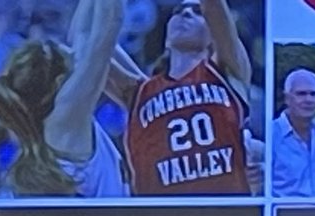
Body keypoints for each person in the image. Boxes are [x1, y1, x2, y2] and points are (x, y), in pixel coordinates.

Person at [107, 0, 255, 195]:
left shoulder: (226, 72)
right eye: (178, 11)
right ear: (166, 35)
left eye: (197, 11)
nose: (185, 14)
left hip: (224, 212)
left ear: (214, 33)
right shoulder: (140, 91)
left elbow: (213, 6)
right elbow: (90, 45)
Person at [0, 0, 128, 197]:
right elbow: (110, 25)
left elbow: (84, 33)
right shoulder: (64, 118)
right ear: (59, 80)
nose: (65, 45)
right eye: (57, 46)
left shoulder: (56, 108)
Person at [272, 69, 315, 197]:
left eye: (314, 94)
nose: (308, 99)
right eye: (301, 94)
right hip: (281, 214)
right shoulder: (271, 135)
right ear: (287, 98)